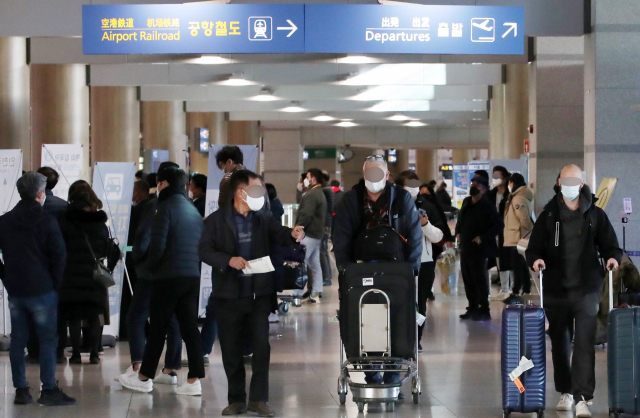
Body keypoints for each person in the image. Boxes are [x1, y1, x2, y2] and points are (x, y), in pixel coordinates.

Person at [199, 169, 305, 417]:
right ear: (240, 192)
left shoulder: (263, 217)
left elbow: (279, 233)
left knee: (261, 347)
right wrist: (228, 260)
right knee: (231, 349)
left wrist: (292, 234)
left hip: (258, 294)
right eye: (256, 190)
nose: (261, 195)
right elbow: (204, 251)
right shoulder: (215, 221)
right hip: (228, 295)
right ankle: (236, 399)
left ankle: (259, 399)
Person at [526, 164, 622, 418]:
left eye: (575, 181)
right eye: (565, 180)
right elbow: (533, 248)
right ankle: (565, 390)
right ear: (559, 181)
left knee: (583, 343)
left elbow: (611, 245)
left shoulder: (595, 215)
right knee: (559, 343)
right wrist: (535, 260)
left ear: (581, 184)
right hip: (557, 289)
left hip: (587, 288)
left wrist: (613, 258)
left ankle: (582, 397)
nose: (570, 185)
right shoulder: (548, 215)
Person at [333, 155, 421, 387]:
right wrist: (344, 269)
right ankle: (372, 373)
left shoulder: (401, 199)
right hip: (360, 270)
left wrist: (412, 269)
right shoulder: (350, 201)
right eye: (370, 173)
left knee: (397, 318)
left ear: (387, 175)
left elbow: (414, 233)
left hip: (397, 271)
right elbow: (340, 236)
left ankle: (393, 376)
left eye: (378, 173)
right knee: (367, 319)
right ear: (364, 176)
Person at [119, 166, 205, 395]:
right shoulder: (192, 209)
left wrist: (149, 268)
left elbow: (157, 246)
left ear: (164, 184)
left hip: (168, 276)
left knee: (157, 327)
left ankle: (144, 376)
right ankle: (193, 380)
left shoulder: (163, 208)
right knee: (189, 328)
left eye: (158, 183)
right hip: (191, 275)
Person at [0, 172, 76, 406]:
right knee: (47, 340)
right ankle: (49, 389)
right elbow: (59, 256)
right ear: (40, 194)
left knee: (18, 340)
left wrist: (5, 276)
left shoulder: (4, 221)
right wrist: (54, 284)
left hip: (16, 289)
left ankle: (21, 390)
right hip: (43, 289)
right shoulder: (46, 221)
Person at [58, 180, 120, 365]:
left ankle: (76, 354)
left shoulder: (65, 221)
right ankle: (94, 354)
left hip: (71, 274)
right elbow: (110, 249)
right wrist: (108, 267)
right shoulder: (100, 223)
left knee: (75, 316)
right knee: (94, 316)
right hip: (94, 275)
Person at [395, 170, 444, 350]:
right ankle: (400, 339)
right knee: (400, 300)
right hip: (399, 262)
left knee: (419, 301)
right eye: (408, 185)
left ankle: (416, 340)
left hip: (424, 262)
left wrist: (425, 225)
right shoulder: (393, 207)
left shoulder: (427, 207)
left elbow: (438, 236)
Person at [26, 167, 69, 363]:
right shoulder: (64, 207)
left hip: (33, 265)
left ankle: (35, 350)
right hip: (58, 266)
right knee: (57, 311)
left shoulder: (28, 208)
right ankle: (57, 351)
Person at [455, 175, 504, 321]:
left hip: (479, 249)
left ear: (483, 189)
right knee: (467, 278)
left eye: (477, 185)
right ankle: (472, 307)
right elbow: (460, 219)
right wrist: (457, 232)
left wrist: (482, 237)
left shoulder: (487, 206)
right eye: (473, 183)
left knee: (479, 279)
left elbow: (499, 225)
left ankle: (483, 308)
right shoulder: (466, 202)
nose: (474, 186)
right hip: (465, 247)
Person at [294, 168, 327, 303]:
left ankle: (297, 293)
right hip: (316, 234)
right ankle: (316, 293)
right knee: (314, 264)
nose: (306, 179)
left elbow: (307, 214)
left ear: (313, 179)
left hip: (309, 233)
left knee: (300, 262)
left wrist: (298, 228)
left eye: (307, 177)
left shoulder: (312, 194)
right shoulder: (319, 193)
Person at [502, 173, 534, 305]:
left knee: (517, 266)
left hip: (518, 237)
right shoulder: (518, 197)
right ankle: (525, 288)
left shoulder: (518, 199)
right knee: (521, 265)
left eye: (510, 183)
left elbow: (524, 219)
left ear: (513, 183)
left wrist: (530, 232)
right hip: (517, 236)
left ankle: (516, 290)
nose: (509, 186)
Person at [488, 166, 512, 301]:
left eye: (498, 176)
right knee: (499, 260)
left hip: (508, 232)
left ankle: (512, 289)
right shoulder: (491, 195)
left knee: (510, 260)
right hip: (495, 232)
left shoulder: (510, 194)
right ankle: (504, 288)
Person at [320, 172, 335, 287]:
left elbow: (326, 209)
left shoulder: (325, 191)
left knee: (322, 251)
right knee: (323, 251)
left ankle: (326, 277)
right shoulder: (328, 190)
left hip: (324, 224)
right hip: (326, 223)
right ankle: (327, 275)